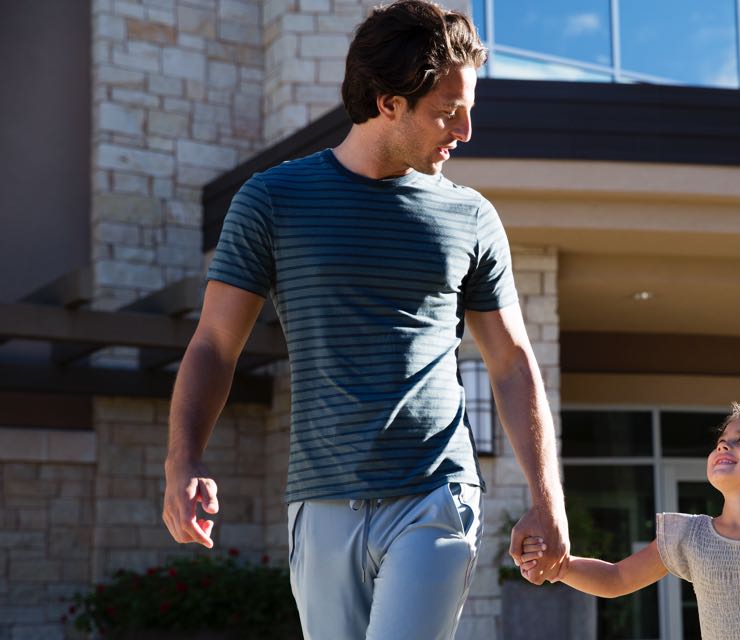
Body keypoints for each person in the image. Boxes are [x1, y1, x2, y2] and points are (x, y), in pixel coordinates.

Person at [161, 1, 569, 637]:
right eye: (445, 111)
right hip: (321, 501)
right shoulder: (273, 201)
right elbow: (214, 345)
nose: (464, 129)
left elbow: (513, 362)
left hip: (436, 492)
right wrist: (181, 463)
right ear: (386, 103)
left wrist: (548, 501)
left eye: (469, 108)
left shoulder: (472, 217)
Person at [520, 402, 740, 640]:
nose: (724, 447)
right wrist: (561, 567)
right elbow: (616, 578)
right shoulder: (691, 536)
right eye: (721, 442)